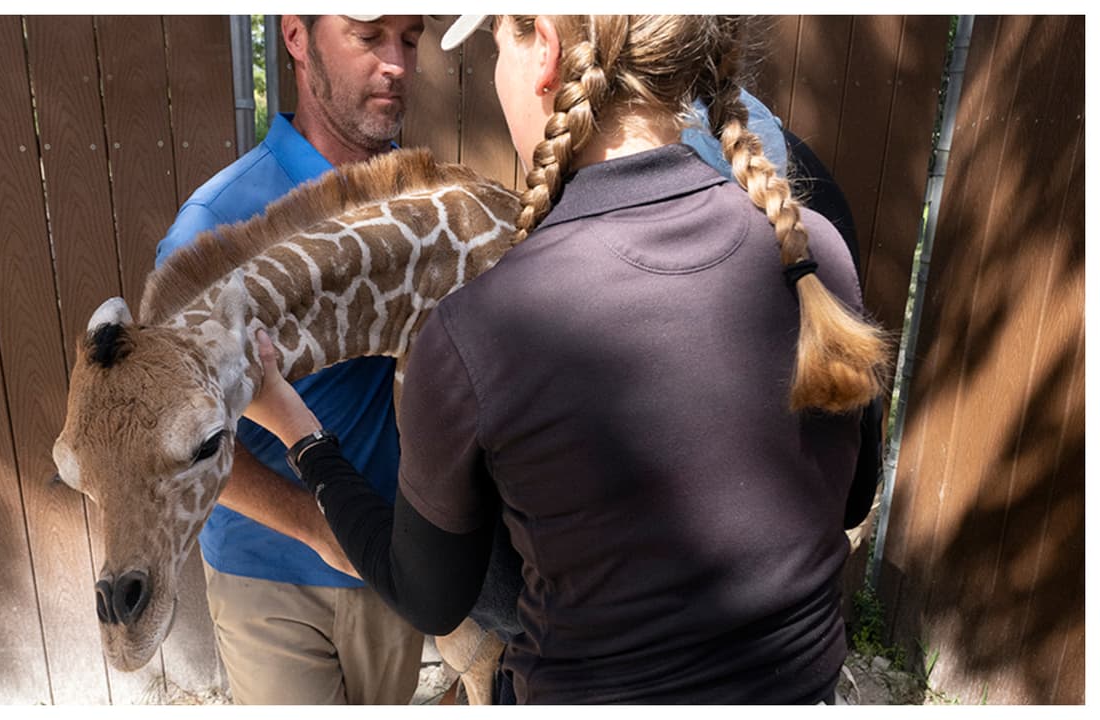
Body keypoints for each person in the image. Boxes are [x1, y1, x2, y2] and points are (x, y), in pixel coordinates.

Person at [244, 14, 892, 704]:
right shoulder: (813, 253)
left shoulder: (477, 331)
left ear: (544, 52)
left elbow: (429, 598)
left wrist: (299, 434)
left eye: (498, 48)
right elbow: (852, 499)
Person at [153, 14, 426, 705]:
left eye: (411, 39)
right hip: (272, 573)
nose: (395, 63)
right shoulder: (217, 225)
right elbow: (175, 437)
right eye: (369, 36)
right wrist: (313, 524)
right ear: (297, 37)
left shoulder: (424, 204)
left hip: (390, 567)